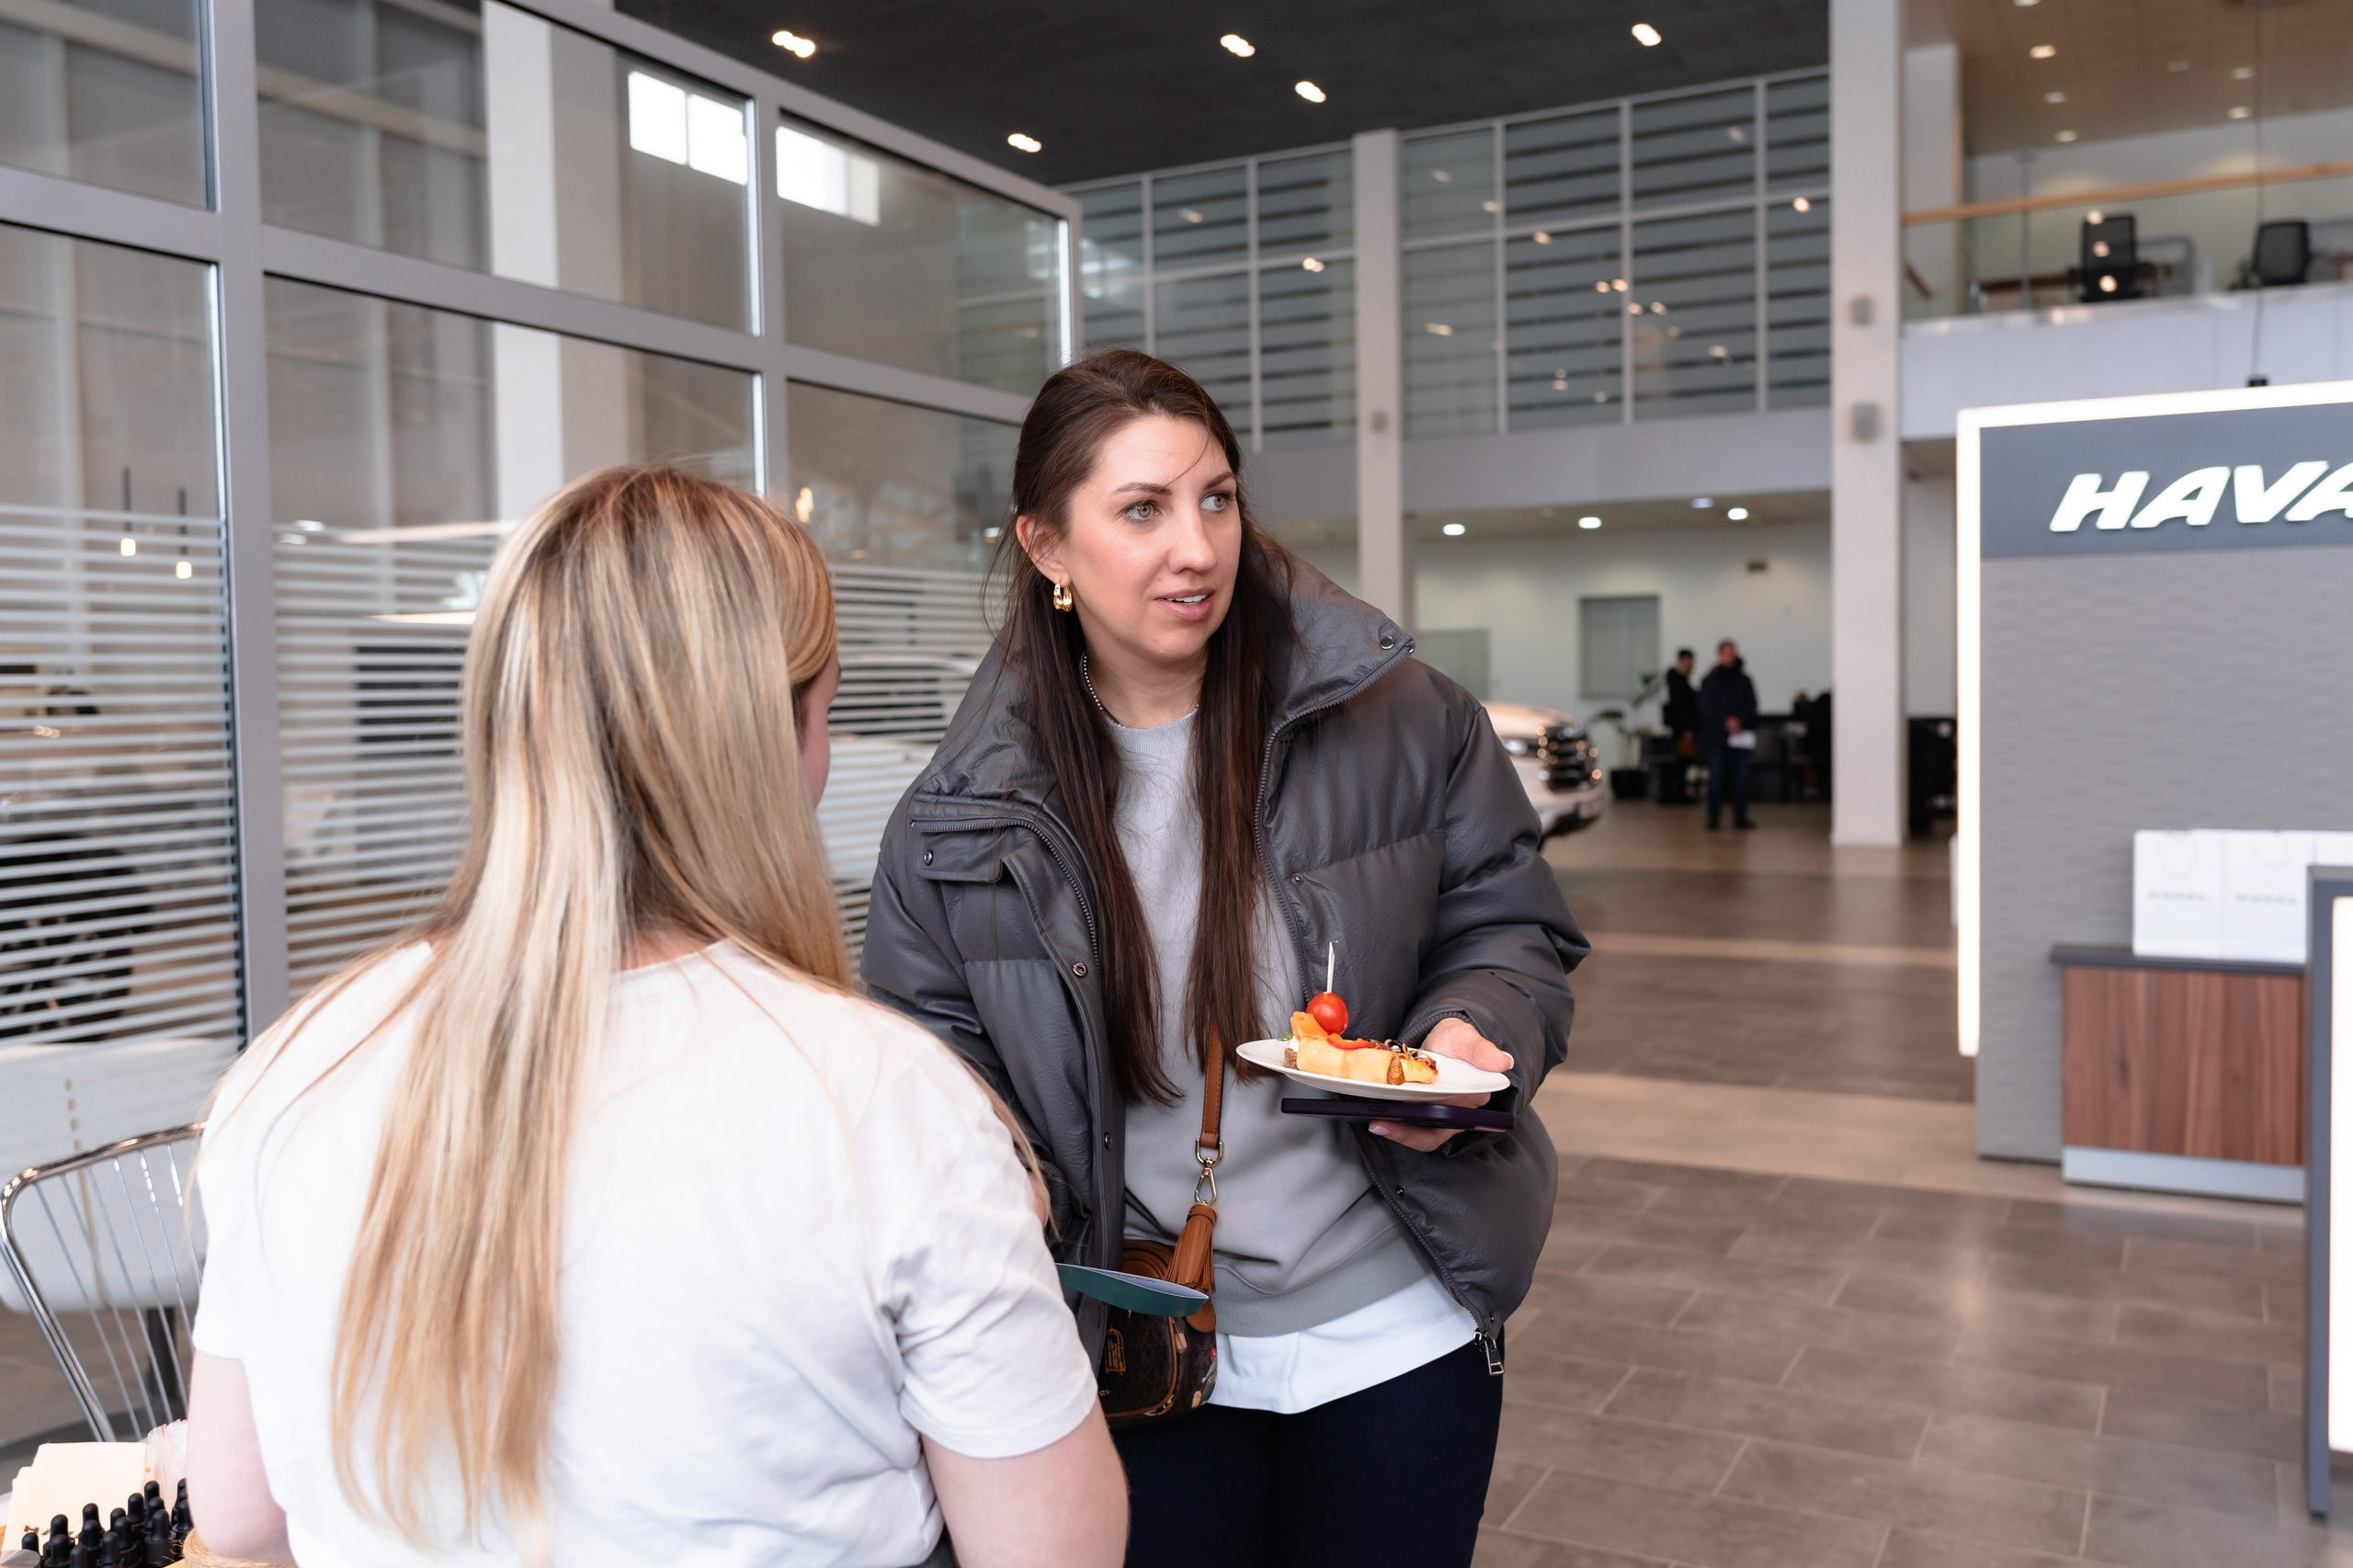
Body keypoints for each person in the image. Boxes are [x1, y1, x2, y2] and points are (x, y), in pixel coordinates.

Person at [185, 467, 1125, 1568]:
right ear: (773, 738)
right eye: (825, 711)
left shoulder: (296, 1065)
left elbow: (239, 1513)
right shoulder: (882, 1100)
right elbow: (1055, 1551)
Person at [862, 351, 1586, 1568]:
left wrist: (1477, 1031)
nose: (1195, 548)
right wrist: (1003, 1173)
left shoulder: (1406, 717)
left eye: (1216, 498)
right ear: (1046, 545)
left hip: (1394, 1324)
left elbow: (1508, 925)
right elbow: (930, 1058)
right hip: (1133, 1341)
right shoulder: (961, 814)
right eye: (1142, 510)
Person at [1699, 639, 1759, 830]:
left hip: (1739, 737)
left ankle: (1740, 817)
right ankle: (1713, 817)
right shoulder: (1709, 680)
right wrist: (1725, 721)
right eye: (1726, 653)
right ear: (1719, 655)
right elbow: (1705, 707)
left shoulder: (1745, 680)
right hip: (1717, 737)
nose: (1729, 656)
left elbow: (1752, 704)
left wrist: (1739, 721)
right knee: (1716, 778)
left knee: (1741, 778)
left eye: (1732, 653)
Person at [1661, 647, 1701, 801]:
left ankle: (1678, 792)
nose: (1691, 665)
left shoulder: (1680, 680)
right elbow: (1680, 708)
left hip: (1683, 728)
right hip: (1683, 729)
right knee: (1681, 761)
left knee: (1683, 761)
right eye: (1689, 661)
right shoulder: (1677, 681)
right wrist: (1687, 728)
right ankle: (1677, 793)